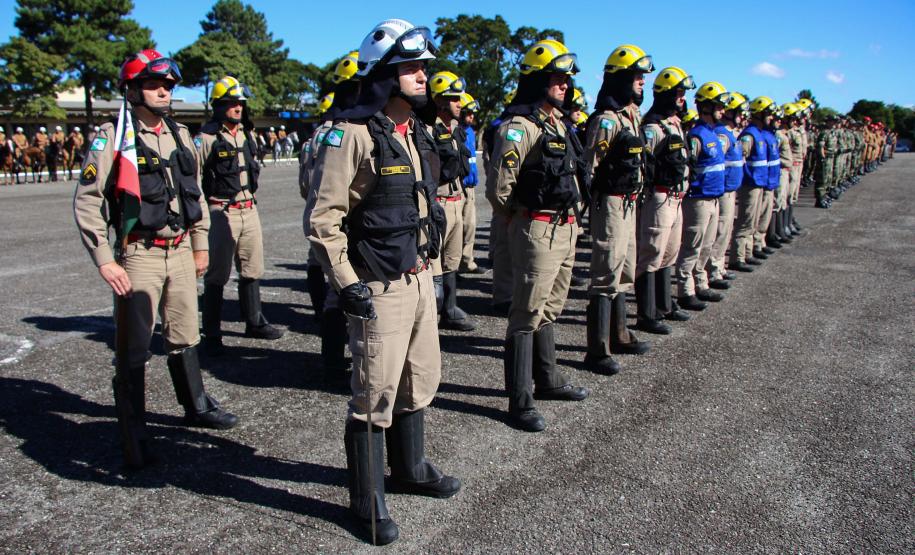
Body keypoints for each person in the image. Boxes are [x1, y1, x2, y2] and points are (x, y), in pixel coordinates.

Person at [308, 19, 461, 545]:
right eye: (413, 68)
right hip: (377, 285)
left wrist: (435, 275)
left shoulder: (413, 132)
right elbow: (323, 220)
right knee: (373, 394)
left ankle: (411, 469)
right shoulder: (349, 134)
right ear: (386, 74)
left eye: (423, 67)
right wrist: (346, 283)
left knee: (420, 380)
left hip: (419, 278)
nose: (424, 76)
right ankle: (364, 502)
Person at [73, 49, 238, 467]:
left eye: (168, 84)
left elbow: (192, 194)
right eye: (153, 83)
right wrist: (103, 259)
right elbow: (87, 202)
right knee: (134, 346)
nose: (164, 90)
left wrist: (200, 243)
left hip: (180, 248)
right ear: (131, 89)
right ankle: (134, 430)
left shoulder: (180, 134)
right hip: (139, 254)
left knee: (185, 333)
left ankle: (196, 405)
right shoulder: (113, 137)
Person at [487, 38, 590, 432]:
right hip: (537, 227)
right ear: (538, 80)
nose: (566, 85)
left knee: (552, 307)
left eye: (567, 79)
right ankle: (520, 400)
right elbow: (499, 189)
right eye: (558, 79)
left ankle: (547, 380)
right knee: (526, 313)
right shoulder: (519, 128)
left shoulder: (560, 124)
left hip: (566, 226)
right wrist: (519, 220)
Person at [197, 75, 284, 357]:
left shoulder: (246, 134)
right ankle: (211, 332)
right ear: (219, 105)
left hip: (249, 209)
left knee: (253, 269)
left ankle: (254, 322)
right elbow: (195, 179)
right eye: (233, 103)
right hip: (221, 211)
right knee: (217, 274)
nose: (238, 108)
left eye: (241, 104)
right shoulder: (206, 139)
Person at [584, 44, 655, 374]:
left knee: (624, 269)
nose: (642, 83)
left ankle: (621, 334)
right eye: (637, 77)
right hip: (609, 203)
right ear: (622, 80)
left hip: (629, 201)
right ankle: (597, 350)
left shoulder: (634, 116)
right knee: (606, 271)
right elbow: (590, 168)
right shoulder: (607, 122)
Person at [301, 50, 361, 384]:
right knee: (340, 296)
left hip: (339, 222)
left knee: (339, 297)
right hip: (345, 226)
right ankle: (334, 365)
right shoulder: (342, 132)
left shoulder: (321, 133)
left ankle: (334, 362)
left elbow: (304, 186)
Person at [635, 66, 696, 334]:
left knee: (670, 252)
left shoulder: (675, 124)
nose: (682, 98)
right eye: (678, 93)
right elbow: (643, 163)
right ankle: (646, 314)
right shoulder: (652, 128)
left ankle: (664, 305)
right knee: (651, 253)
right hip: (658, 197)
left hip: (676, 197)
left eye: (684, 93)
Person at [675, 81, 731, 310]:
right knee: (692, 246)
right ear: (706, 107)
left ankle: (701, 283)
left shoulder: (713, 134)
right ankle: (685, 290)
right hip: (698, 199)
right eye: (719, 107)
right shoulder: (697, 135)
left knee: (706, 245)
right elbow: (689, 167)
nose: (723, 112)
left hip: (714, 197)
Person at [428, 71, 476, 331]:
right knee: (434, 261)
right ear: (440, 100)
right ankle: (431, 318)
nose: (460, 102)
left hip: (458, 199)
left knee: (452, 260)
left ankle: (449, 308)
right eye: (454, 98)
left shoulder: (456, 128)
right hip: (439, 200)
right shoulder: (427, 128)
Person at [707, 92, 749, 288]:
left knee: (726, 229)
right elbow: (717, 160)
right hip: (722, 190)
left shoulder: (731, 134)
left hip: (730, 189)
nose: (742, 117)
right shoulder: (723, 135)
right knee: (721, 230)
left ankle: (720, 267)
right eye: (739, 113)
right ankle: (713, 270)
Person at [731, 97, 777, 268]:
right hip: (750, 184)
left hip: (759, 183)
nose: (771, 118)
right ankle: (738, 257)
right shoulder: (749, 135)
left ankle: (748, 252)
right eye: (769, 114)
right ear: (760, 114)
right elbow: (740, 157)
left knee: (754, 221)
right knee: (745, 221)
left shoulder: (759, 134)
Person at [457, 92, 484, 275]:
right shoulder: (454, 130)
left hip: (471, 186)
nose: (471, 116)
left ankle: (467, 261)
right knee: (456, 228)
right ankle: (451, 266)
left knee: (470, 226)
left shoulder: (470, 132)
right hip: (458, 185)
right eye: (468, 113)